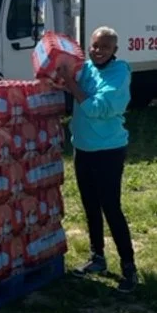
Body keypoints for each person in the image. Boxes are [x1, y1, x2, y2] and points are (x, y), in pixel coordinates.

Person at [56, 26, 138, 293]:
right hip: (83, 148)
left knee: (110, 207)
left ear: (115, 49)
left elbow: (95, 108)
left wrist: (71, 84)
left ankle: (129, 267)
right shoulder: (87, 68)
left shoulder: (119, 73)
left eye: (104, 47)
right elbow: (67, 82)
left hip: (108, 151)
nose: (98, 51)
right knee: (90, 205)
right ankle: (97, 258)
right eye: (94, 46)